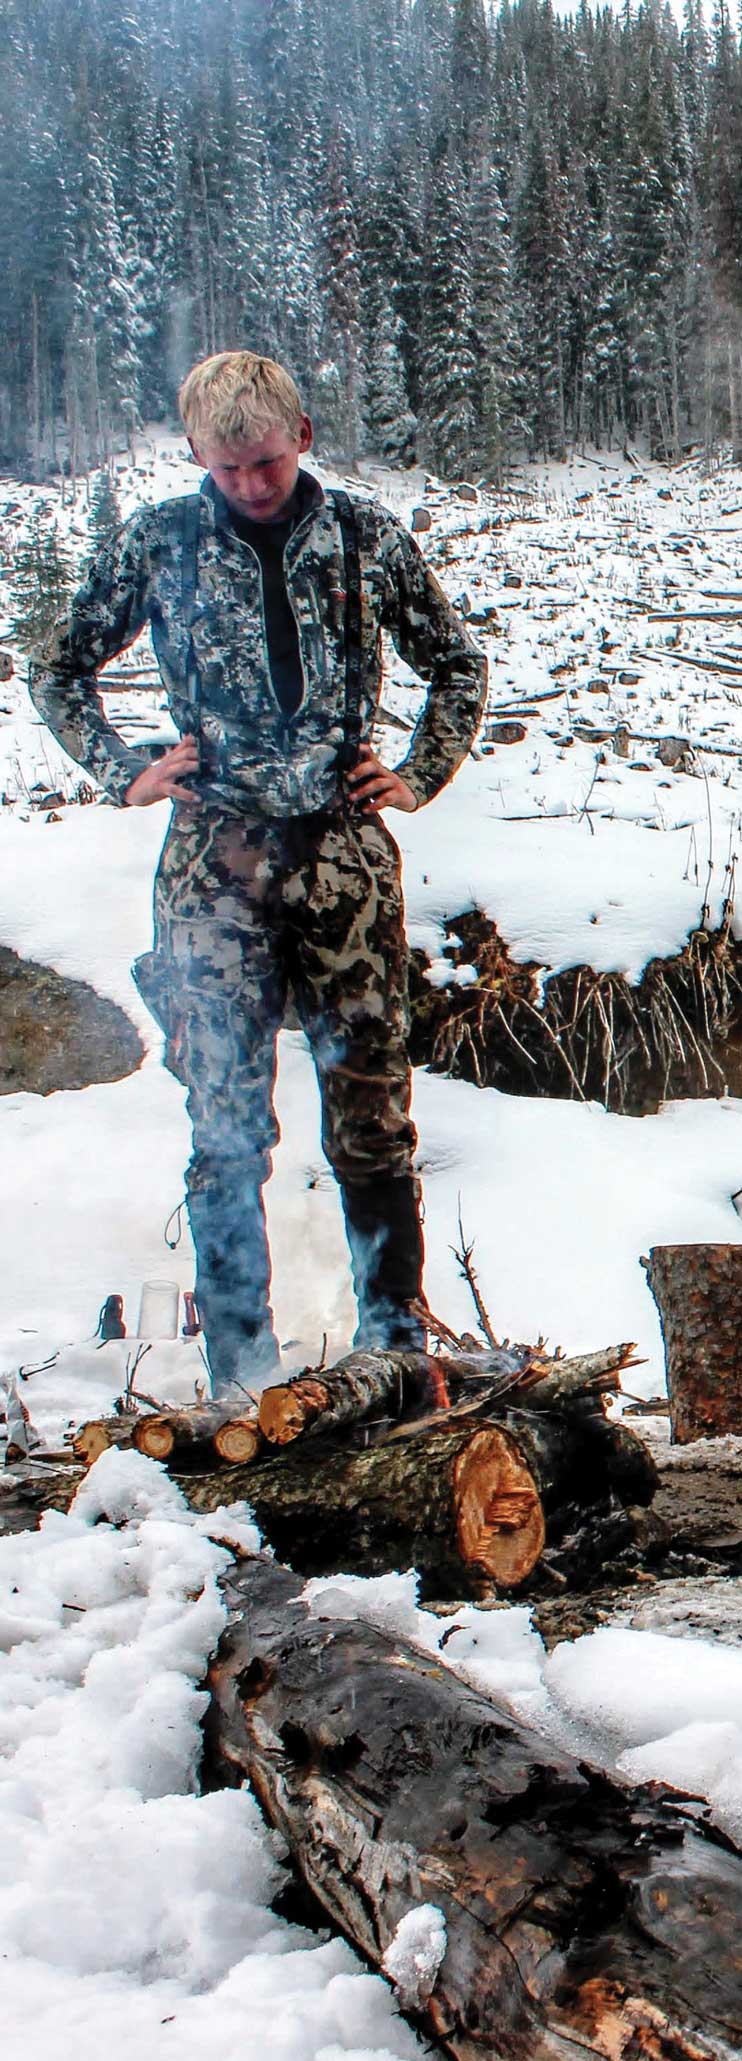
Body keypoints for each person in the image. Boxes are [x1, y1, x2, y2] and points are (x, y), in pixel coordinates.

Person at [31, 351, 488, 1393]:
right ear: (196, 455)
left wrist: (418, 772)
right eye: (227, 468)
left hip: (342, 854)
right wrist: (125, 770)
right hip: (213, 867)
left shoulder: (365, 536)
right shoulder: (159, 539)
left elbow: (456, 661)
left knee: (372, 1115)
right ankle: (241, 1364)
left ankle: (396, 1350)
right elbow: (55, 662)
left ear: (304, 438)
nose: (248, 484)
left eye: (266, 464)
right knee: (224, 1125)